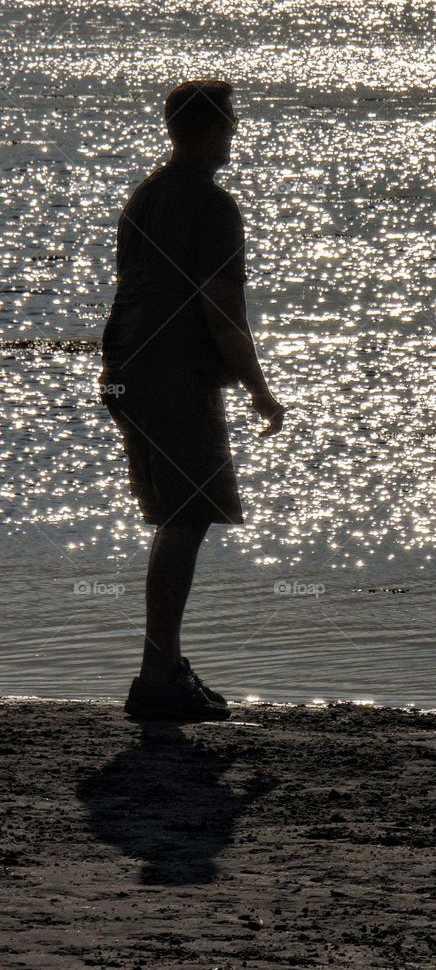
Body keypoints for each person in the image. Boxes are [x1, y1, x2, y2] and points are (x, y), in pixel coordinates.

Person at [98, 79, 285, 721]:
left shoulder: (145, 196)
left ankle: (164, 663)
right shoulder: (211, 204)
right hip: (172, 376)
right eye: (229, 122)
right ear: (207, 130)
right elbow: (222, 307)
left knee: (178, 515)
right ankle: (157, 672)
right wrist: (260, 390)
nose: (234, 132)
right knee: (186, 517)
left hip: (127, 367)